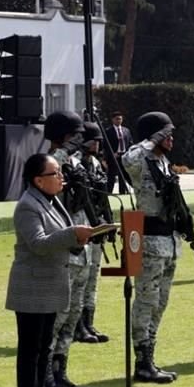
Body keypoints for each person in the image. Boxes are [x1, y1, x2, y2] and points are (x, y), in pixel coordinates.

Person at [6, 153, 94, 387]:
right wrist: (72, 234)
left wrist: (79, 239)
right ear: (38, 180)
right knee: (31, 349)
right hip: (32, 286)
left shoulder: (52, 201)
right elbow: (39, 243)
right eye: (55, 173)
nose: (61, 177)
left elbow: (61, 237)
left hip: (50, 284)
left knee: (43, 348)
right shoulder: (27, 206)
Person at [122, 111, 194, 383]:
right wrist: (149, 141)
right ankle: (142, 361)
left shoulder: (163, 162)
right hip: (151, 241)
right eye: (166, 134)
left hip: (169, 241)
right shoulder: (140, 160)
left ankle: (150, 357)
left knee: (160, 303)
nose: (171, 138)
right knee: (146, 301)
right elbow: (126, 159)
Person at [45, 111, 95, 387]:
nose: (80, 139)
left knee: (71, 317)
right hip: (62, 250)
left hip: (81, 251)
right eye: (75, 134)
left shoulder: (76, 163)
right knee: (56, 318)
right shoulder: (48, 162)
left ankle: (61, 372)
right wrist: (64, 151)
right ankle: (46, 378)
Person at [74, 121, 112, 344]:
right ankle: (78, 325)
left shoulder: (96, 163)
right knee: (82, 277)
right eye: (93, 140)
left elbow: (102, 195)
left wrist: (107, 222)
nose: (97, 145)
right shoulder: (76, 164)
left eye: (98, 141)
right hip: (83, 224)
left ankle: (88, 321)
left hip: (98, 224)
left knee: (93, 278)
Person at [105, 111, 132, 194]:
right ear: (113, 120)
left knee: (123, 177)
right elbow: (105, 145)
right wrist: (112, 154)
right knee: (111, 177)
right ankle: (108, 195)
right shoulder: (108, 131)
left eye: (120, 119)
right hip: (114, 157)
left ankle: (122, 194)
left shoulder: (126, 131)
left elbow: (130, 142)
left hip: (124, 156)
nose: (119, 121)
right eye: (117, 119)